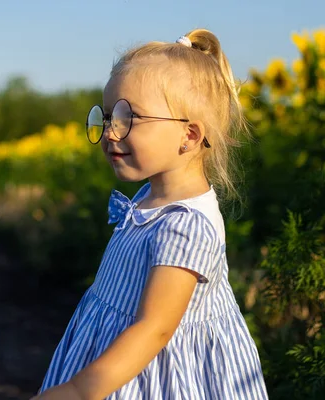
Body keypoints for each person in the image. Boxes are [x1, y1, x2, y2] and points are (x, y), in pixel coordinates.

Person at [30, 29, 269, 400]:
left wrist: (79, 390)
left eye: (128, 117)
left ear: (188, 136)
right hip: (117, 358)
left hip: (153, 375)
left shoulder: (186, 225)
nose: (110, 132)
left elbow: (154, 329)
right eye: (108, 117)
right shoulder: (146, 199)